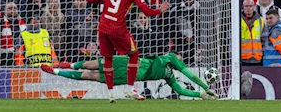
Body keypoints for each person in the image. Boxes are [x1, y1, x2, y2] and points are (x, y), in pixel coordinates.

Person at [86, 0, 170, 102]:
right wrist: (160, 10)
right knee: (134, 54)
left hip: (103, 27)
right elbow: (147, 11)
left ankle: (110, 93)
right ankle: (130, 89)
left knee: (108, 58)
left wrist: (103, 1)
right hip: (118, 29)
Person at [41, 52, 218, 100]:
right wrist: (205, 87)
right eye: (181, 58)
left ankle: (55, 71)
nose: (181, 61)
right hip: (129, 63)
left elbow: (180, 89)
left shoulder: (169, 76)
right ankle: (67, 65)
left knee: (92, 76)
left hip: (129, 76)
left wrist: (200, 94)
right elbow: (189, 75)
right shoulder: (171, 58)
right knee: (93, 65)